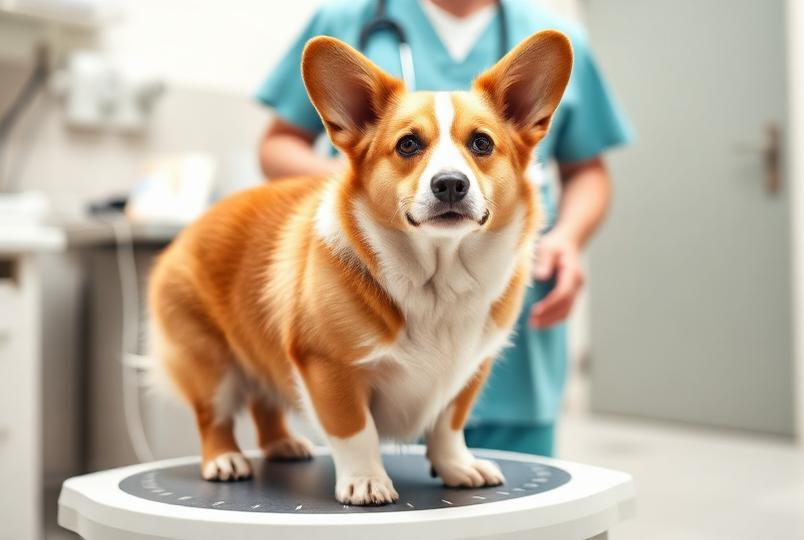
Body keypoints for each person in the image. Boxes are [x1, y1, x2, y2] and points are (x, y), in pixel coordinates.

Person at [257, 0, 631, 456]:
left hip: (511, 320)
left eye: (480, 144)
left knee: (516, 515)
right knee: (376, 509)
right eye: (411, 143)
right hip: (372, 329)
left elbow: (586, 168)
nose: (450, 178)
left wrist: (567, 238)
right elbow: (277, 144)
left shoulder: (551, 31)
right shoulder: (345, 19)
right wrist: (366, 185)